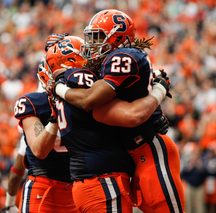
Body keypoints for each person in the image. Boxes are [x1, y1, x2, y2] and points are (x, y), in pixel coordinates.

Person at [53, 10, 185, 213]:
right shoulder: (107, 63)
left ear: (117, 37)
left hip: (150, 149)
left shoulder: (124, 56)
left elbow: (90, 99)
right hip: (134, 154)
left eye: (97, 37)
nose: (91, 44)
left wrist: (58, 88)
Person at [13, 56, 80, 213]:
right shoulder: (33, 102)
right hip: (43, 186)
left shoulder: (89, 101)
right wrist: (56, 114)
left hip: (79, 186)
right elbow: (39, 150)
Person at [3, 134, 27, 213]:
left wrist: (9, 204)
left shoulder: (29, 133)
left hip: (42, 188)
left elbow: (16, 173)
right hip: (66, 188)